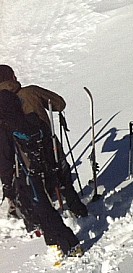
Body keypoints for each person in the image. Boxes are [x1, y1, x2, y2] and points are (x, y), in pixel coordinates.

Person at [0, 89, 82, 258]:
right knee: (44, 205)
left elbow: (5, 160)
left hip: (25, 174)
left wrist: (8, 186)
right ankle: (56, 241)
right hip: (43, 165)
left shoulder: (5, 128)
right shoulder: (30, 121)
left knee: (42, 209)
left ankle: (69, 244)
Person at [0, 64, 87, 218]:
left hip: (22, 153)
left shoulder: (3, 105)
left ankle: (39, 214)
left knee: (35, 183)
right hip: (48, 142)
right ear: (12, 77)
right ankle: (77, 208)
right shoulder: (30, 92)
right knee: (62, 175)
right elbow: (59, 104)